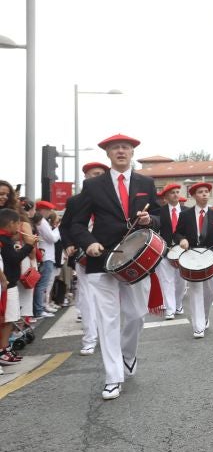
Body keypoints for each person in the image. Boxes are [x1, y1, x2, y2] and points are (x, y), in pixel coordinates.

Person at [69, 134, 160, 401]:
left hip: (137, 258)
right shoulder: (93, 186)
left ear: (132, 153)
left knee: (136, 315)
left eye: (125, 148)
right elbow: (76, 223)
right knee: (107, 320)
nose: (121, 151)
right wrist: (89, 243)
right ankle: (112, 377)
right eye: (115, 148)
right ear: (108, 154)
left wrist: (148, 219)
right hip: (101, 259)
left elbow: (158, 218)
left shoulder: (146, 182)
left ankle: (128, 354)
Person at [59, 162, 110, 355]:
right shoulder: (75, 201)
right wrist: (68, 243)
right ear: (86, 177)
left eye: (102, 174)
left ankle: (110, 337)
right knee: (88, 299)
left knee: (110, 300)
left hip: (111, 256)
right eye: (95, 174)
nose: (98, 177)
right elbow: (65, 227)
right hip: (84, 257)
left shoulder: (111, 198)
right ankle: (90, 339)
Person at [175, 182, 213, 338]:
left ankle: (204, 317)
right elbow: (177, 234)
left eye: (206, 191)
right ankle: (198, 327)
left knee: (210, 291)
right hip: (191, 256)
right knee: (195, 290)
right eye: (200, 192)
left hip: (211, 256)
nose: (204, 194)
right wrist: (182, 240)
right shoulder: (185, 215)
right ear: (194, 195)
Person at [0, 208, 37, 365]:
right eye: (17, 224)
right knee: (8, 318)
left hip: (9, 284)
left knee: (9, 317)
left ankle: (5, 348)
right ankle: (3, 349)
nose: (18, 228)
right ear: (11, 223)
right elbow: (14, 259)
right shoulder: (4, 240)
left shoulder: (6, 239)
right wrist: (29, 246)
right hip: (8, 285)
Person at [156, 183, 186, 319]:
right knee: (167, 281)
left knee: (181, 281)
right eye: (172, 192)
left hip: (183, 250)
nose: (175, 194)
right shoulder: (158, 212)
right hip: (165, 250)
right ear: (166, 196)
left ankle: (178, 304)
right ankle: (170, 309)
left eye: (177, 191)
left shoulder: (187, 211)